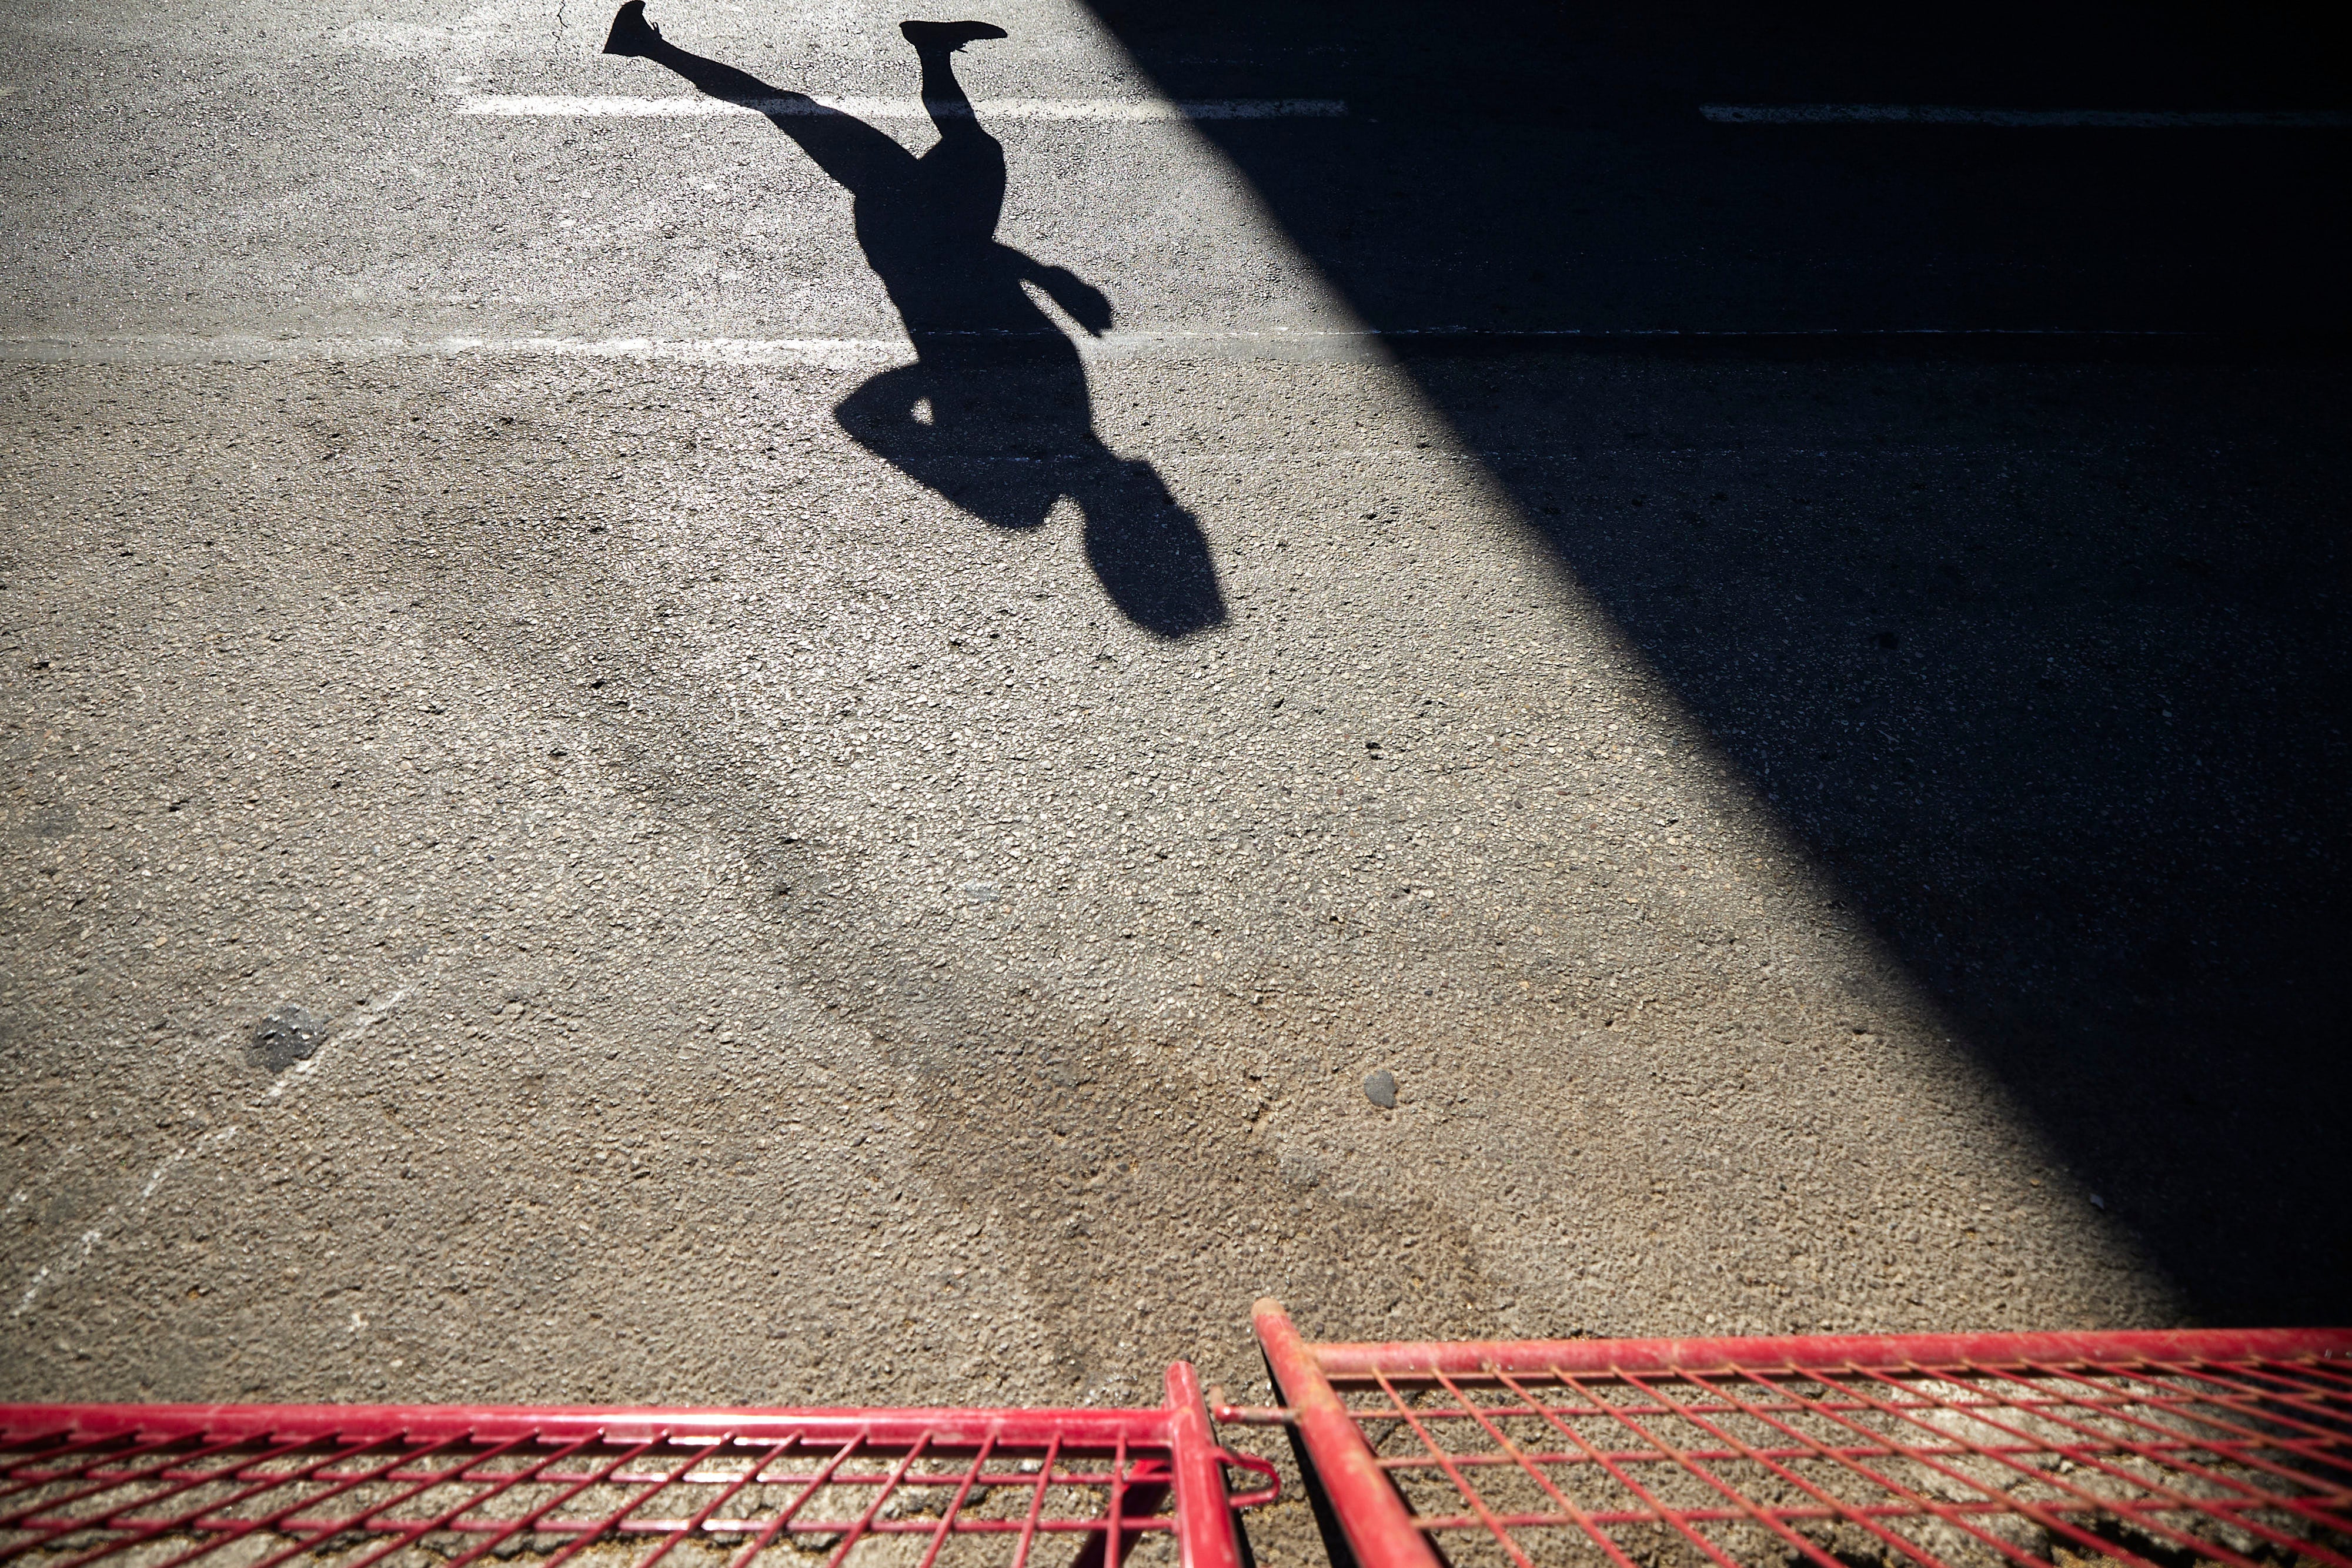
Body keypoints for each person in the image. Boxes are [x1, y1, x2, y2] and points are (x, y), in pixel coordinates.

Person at [604, 2, 1225, 637]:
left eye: (1175, 521)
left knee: (799, 112)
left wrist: (943, 365)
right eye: (1184, 519)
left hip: (912, 239)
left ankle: (647, 49)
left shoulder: (1013, 499)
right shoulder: (1066, 454)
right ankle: (929, 50)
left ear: (1115, 541)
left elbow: (864, 416)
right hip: (948, 244)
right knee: (964, 146)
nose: (1173, 503)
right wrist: (1040, 283)